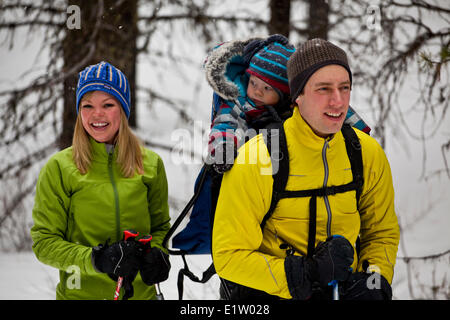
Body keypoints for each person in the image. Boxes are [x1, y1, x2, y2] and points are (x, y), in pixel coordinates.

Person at [212, 38, 400, 300]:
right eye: (323, 89)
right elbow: (228, 256)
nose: (337, 101)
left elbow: (381, 233)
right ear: (297, 94)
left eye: (344, 88)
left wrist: (374, 280)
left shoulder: (367, 153)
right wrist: (304, 274)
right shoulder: (257, 157)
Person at [30, 61, 171, 300]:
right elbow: (44, 243)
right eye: (87, 105)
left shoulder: (150, 164)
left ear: (123, 109)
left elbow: (160, 229)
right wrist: (96, 259)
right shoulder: (60, 168)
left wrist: (157, 254)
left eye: (108, 104)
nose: (97, 114)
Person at [205, 34, 295, 174]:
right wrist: (223, 148)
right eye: (253, 83)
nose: (257, 92)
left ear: (283, 94)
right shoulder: (239, 102)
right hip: (243, 166)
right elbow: (225, 123)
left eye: (267, 88)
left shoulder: (291, 112)